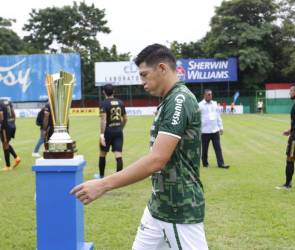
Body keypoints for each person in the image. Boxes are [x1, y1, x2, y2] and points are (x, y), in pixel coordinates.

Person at [71, 44, 208, 249]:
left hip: (179, 210)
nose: (141, 81)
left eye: (144, 74)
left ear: (162, 68)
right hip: (157, 207)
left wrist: (103, 184)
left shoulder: (179, 100)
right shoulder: (168, 100)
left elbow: (157, 160)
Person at [98, 84, 127, 178]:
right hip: (118, 131)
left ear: (103, 92)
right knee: (118, 154)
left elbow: (103, 119)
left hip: (108, 131)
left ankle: (101, 176)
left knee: (103, 154)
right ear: (113, 91)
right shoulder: (120, 102)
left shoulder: (103, 103)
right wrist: (120, 128)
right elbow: (125, 119)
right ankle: (118, 178)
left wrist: (102, 134)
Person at [277, 84, 295, 189]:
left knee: (290, 159)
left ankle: (287, 184)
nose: (289, 92)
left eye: (291, 90)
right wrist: (290, 130)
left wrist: (293, 132)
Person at [198, 89, 230, 169]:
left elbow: (218, 116)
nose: (210, 96)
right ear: (204, 95)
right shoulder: (200, 105)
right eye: (208, 94)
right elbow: (196, 118)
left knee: (218, 148)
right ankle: (205, 163)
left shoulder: (215, 104)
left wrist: (221, 127)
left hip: (215, 130)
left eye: (211, 94)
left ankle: (221, 164)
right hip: (205, 131)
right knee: (205, 149)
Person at [0, 99, 21, 171]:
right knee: (6, 143)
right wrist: (12, 123)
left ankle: (7, 166)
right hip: (12, 125)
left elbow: (1, 115)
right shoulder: (7, 101)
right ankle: (16, 158)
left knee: (5, 144)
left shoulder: (0, 103)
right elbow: (14, 114)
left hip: (5, 127)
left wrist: (2, 126)